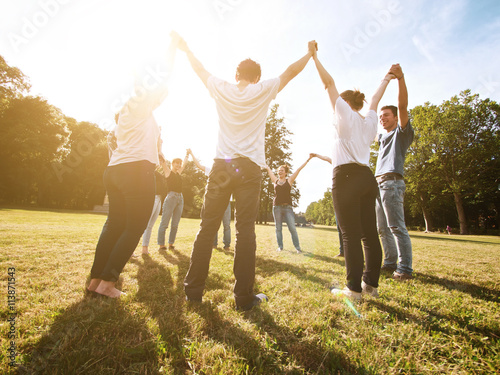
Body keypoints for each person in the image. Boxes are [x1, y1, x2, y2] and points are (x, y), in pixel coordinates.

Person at [176, 33, 316, 310]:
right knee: (244, 231)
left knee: (207, 228)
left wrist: (186, 48)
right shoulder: (262, 89)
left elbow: (199, 69)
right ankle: (242, 298)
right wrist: (310, 54)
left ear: (237, 73)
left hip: (221, 166)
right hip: (249, 168)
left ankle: (193, 291)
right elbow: (290, 72)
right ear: (256, 77)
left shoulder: (221, 87)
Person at [86, 35, 178, 298]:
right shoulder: (138, 104)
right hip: (135, 172)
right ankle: (108, 283)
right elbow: (163, 77)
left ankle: (95, 281)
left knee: (114, 224)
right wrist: (171, 47)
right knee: (135, 226)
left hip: (115, 171)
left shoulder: (130, 115)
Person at [310, 40, 395, 301]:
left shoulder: (343, 112)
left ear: (345, 102)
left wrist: (314, 57)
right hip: (367, 178)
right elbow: (377, 99)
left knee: (349, 234)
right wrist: (387, 78)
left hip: (346, 177)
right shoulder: (369, 120)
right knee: (370, 234)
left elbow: (328, 83)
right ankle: (371, 285)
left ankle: (353, 290)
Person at [374, 64, 415, 281]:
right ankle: (390, 263)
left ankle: (405, 269)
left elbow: (403, 104)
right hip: (378, 185)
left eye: (387, 115)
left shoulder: (401, 133)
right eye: (381, 116)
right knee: (382, 229)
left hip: (391, 183)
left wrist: (399, 79)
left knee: (396, 227)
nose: (383, 118)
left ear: (396, 117)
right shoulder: (382, 137)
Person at [264, 156, 312, 253]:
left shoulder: (289, 180)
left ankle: (297, 248)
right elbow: (268, 169)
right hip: (276, 207)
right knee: (278, 228)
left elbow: (298, 169)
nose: (280, 172)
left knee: (292, 228)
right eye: (279, 170)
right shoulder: (275, 181)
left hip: (287, 208)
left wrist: (308, 159)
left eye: (282, 170)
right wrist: (262, 162)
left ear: (285, 172)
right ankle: (280, 247)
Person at [188, 148, 232, 251]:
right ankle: (214, 244)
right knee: (213, 223)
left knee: (226, 225)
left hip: (227, 201)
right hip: (215, 201)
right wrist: (192, 153)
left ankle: (227, 246)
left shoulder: (230, 171)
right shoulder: (211, 169)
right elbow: (198, 165)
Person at [309, 153, 344, 257]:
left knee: (350, 228)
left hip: (350, 197)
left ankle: (354, 253)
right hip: (339, 198)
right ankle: (342, 251)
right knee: (339, 227)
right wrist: (316, 155)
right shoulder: (337, 163)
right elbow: (327, 158)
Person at [157, 151, 189, 251]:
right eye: (177, 163)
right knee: (165, 222)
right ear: (172, 163)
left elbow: (185, 164)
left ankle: (171, 243)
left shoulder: (179, 173)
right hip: (171, 198)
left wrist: (187, 154)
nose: (179, 165)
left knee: (175, 224)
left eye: (179, 163)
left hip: (180, 198)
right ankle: (161, 245)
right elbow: (163, 163)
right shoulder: (168, 172)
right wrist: (159, 148)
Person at [134, 165, 168, 256]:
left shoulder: (159, 174)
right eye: (158, 160)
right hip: (151, 198)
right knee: (143, 224)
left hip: (159, 198)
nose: (159, 163)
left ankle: (145, 248)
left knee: (150, 225)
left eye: (161, 161)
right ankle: (130, 249)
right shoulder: (148, 172)